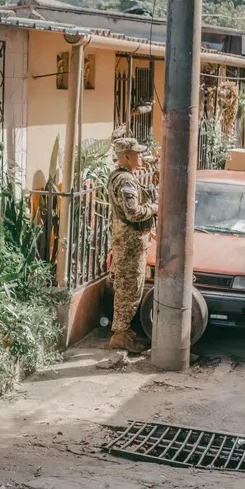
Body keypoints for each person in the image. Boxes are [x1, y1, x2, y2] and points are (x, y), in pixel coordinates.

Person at [107, 136, 158, 353]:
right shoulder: (125, 181)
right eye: (137, 153)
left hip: (129, 240)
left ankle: (124, 331)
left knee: (129, 287)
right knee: (129, 288)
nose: (141, 156)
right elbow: (133, 213)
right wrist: (154, 208)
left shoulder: (121, 176)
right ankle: (120, 335)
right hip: (130, 243)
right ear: (127, 156)